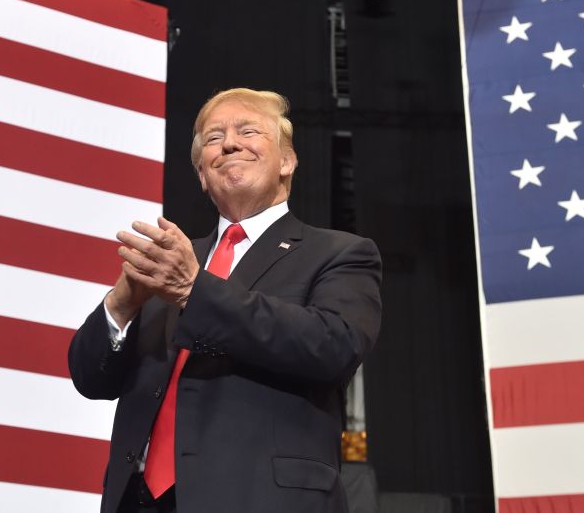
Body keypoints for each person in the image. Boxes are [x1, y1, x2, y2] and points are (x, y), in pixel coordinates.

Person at [69, 88, 382, 513]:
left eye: (248, 130)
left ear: (287, 162)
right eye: (213, 138)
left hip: (262, 499)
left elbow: (334, 346)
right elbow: (91, 379)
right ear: (202, 173)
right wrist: (120, 306)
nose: (229, 143)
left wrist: (193, 292)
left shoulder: (339, 253)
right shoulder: (173, 262)